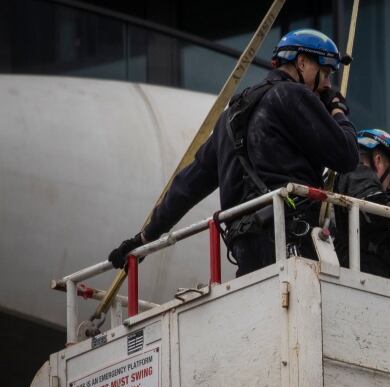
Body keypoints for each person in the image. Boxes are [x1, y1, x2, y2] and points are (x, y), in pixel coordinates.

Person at [108, 29, 359, 276]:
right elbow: (347, 155)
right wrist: (338, 110)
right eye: (324, 72)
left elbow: (187, 185)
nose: (327, 84)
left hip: (245, 245)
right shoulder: (294, 95)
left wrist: (143, 238)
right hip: (293, 240)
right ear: (301, 62)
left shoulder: (230, 117)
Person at [332, 129, 390, 279]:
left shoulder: (342, 181)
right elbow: (368, 196)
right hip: (353, 280)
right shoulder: (355, 174)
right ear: (378, 161)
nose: (389, 186)